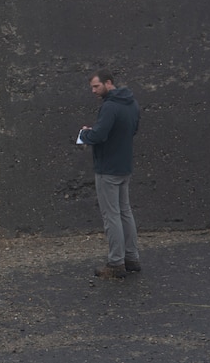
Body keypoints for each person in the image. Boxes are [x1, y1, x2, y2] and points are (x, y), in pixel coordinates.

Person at [79, 69, 141, 279]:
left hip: (107, 169)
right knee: (125, 212)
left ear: (108, 83)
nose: (94, 91)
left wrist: (85, 133)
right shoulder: (132, 103)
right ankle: (132, 258)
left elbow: (99, 134)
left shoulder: (109, 107)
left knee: (111, 215)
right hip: (124, 166)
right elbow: (133, 130)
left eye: (96, 86)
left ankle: (116, 263)